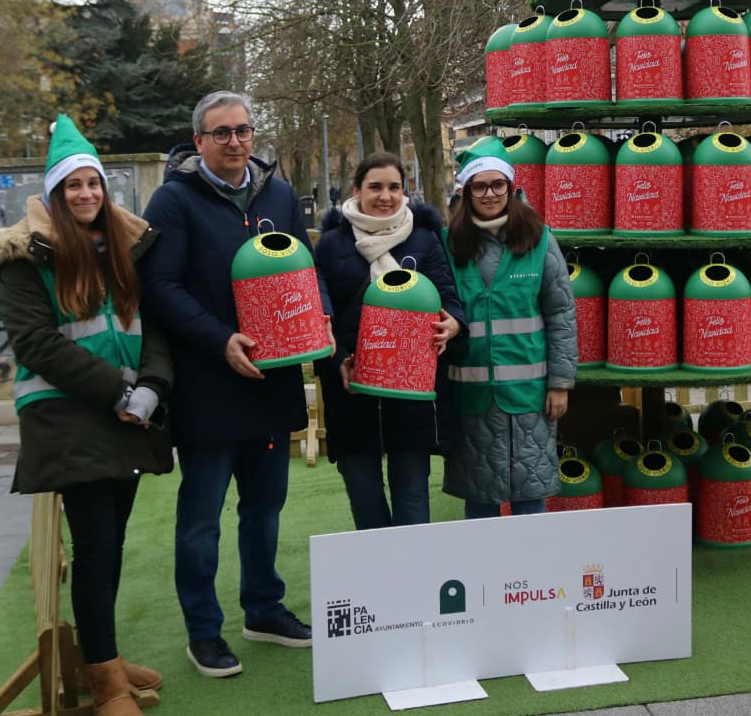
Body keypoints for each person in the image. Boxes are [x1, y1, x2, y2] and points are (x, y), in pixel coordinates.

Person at [0, 116, 172, 716]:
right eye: (74, 187)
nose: (86, 195)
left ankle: (101, 659)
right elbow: (36, 344)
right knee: (95, 548)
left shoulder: (123, 248)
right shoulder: (24, 260)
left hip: (125, 413)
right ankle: (108, 681)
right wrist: (118, 392)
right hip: (67, 417)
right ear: (56, 195)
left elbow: (154, 327)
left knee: (110, 546)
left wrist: (152, 387)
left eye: (93, 184)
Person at [140, 91, 333, 679]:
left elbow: (305, 269)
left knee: (266, 507)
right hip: (209, 384)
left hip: (270, 384)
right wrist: (221, 339)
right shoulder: (172, 202)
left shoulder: (276, 192)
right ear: (197, 141)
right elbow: (161, 288)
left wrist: (318, 312)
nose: (234, 142)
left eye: (243, 131)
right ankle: (204, 632)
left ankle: (263, 609)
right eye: (220, 133)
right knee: (201, 517)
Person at [313, 153, 464, 528]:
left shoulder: (425, 240)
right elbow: (319, 312)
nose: (385, 196)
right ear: (356, 191)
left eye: (394, 187)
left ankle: (417, 584)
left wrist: (454, 324)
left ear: (405, 191)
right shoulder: (331, 245)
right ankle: (377, 585)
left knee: (413, 504)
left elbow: (449, 300)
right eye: (375, 187)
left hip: (410, 396)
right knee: (366, 506)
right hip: (351, 392)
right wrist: (338, 360)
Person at [441, 156, 577, 518]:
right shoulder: (449, 244)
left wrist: (560, 382)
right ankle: (484, 573)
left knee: (531, 493)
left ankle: (534, 572)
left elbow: (561, 313)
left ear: (510, 188)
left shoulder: (538, 239)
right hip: (471, 395)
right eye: (479, 186)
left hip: (530, 395)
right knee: (480, 496)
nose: (489, 194)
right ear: (466, 192)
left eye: (497, 184)